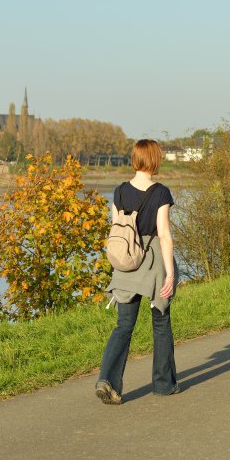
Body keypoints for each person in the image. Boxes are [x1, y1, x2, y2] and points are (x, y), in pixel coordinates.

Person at [95, 140, 179, 404]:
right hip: (153, 260)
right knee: (161, 322)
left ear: (134, 159)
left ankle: (107, 380)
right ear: (154, 159)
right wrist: (170, 274)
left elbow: (117, 230)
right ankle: (164, 384)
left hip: (126, 261)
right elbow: (164, 234)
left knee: (123, 326)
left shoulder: (119, 192)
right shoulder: (161, 192)